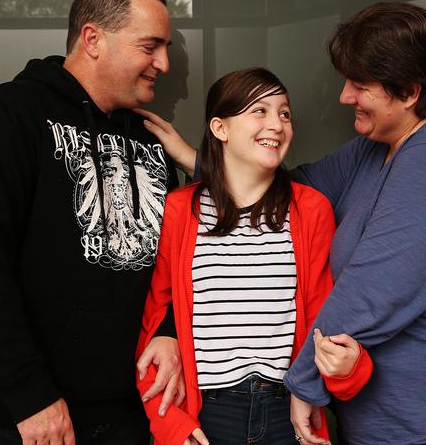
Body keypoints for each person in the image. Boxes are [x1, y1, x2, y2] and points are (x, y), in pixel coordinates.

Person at [140, 2, 426, 445]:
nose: (343, 97)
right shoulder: (374, 149)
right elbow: (278, 186)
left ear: (410, 91)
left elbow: (375, 290)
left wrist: (303, 382)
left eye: (359, 85)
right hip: (408, 423)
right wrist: (201, 161)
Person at [0, 0, 186, 445]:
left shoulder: (153, 143)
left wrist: (170, 330)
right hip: (21, 417)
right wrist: (29, 396)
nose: (164, 63)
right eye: (150, 45)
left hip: (127, 412)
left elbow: (174, 260)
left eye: (167, 47)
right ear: (93, 39)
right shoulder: (4, 119)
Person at [134, 67, 373, 445]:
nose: (276, 124)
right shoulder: (181, 210)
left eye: (284, 113)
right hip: (207, 415)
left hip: (288, 413)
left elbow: (326, 317)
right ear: (220, 128)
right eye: (259, 111)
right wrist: (172, 427)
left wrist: (348, 372)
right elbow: (155, 327)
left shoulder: (310, 210)